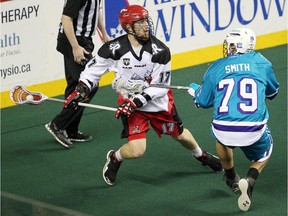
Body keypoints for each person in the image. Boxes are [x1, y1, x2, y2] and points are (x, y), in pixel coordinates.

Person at [63, 5, 223, 185]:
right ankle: (115, 158)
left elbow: (160, 87)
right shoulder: (113, 48)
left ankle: (200, 155)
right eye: (140, 23)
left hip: (157, 102)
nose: (146, 26)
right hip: (130, 103)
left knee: (180, 135)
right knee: (137, 150)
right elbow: (93, 71)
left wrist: (135, 102)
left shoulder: (160, 50)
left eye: (146, 21)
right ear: (128, 27)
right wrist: (82, 89)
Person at [187, 28, 280, 211]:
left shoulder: (216, 66)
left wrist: (196, 91)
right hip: (253, 129)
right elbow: (273, 93)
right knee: (265, 152)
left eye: (230, 44)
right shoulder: (261, 62)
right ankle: (250, 180)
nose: (227, 48)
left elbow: (203, 101)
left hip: (224, 130)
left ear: (237, 46)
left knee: (220, 134)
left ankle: (230, 177)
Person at [45, 0, 111, 148]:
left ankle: (70, 129)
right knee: (88, 85)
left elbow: (95, 11)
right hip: (74, 40)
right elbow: (66, 18)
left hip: (83, 40)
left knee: (75, 85)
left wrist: (104, 34)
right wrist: (75, 47)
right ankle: (57, 124)